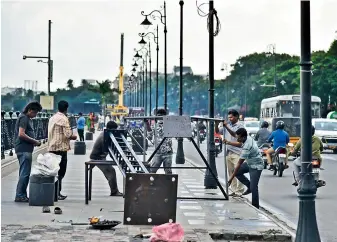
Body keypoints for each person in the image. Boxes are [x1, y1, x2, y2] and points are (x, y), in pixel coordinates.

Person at [224, 128, 264, 209]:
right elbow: (239, 143)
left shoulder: (247, 146)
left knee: (254, 188)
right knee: (235, 171)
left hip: (256, 166)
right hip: (250, 163)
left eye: (238, 138)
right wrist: (228, 142)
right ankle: (249, 185)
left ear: (242, 137)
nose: (237, 139)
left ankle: (255, 207)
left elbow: (239, 163)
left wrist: (231, 179)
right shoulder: (247, 138)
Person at [48, 100, 77, 200]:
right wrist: (74, 136)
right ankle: (57, 193)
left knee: (53, 171)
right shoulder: (64, 119)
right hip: (61, 148)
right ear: (66, 109)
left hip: (52, 147)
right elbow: (68, 135)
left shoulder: (52, 118)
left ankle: (53, 192)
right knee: (60, 172)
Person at [14, 101, 43, 202]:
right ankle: (20, 195)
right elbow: (21, 134)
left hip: (25, 149)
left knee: (24, 172)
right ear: (30, 110)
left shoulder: (26, 118)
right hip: (23, 149)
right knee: (25, 173)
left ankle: (22, 194)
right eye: (35, 113)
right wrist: (34, 141)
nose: (35, 115)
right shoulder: (24, 118)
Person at [89, 121, 122, 196]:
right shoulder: (104, 137)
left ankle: (114, 190)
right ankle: (114, 192)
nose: (114, 132)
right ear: (109, 129)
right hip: (97, 158)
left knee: (110, 172)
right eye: (113, 130)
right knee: (111, 171)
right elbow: (110, 150)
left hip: (100, 157)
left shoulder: (106, 134)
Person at [221, 109, 245, 196]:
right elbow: (217, 131)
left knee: (238, 172)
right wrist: (217, 123)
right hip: (228, 152)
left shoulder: (240, 126)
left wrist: (226, 126)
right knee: (231, 172)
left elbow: (234, 134)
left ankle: (240, 191)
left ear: (236, 117)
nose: (230, 119)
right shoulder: (227, 125)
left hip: (237, 152)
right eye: (229, 117)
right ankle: (234, 190)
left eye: (231, 117)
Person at [150, 108, 173, 174]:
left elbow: (149, 135)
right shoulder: (155, 126)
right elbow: (149, 134)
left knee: (154, 171)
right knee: (153, 170)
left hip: (164, 151)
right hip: (161, 151)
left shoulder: (169, 125)